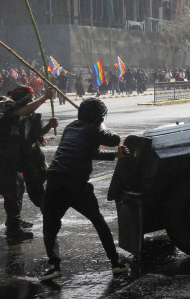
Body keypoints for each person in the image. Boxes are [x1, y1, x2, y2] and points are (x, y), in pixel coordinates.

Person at [39, 97, 129, 281]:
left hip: (55, 179)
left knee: (50, 225)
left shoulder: (70, 127)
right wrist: (102, 126)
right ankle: (115, 263)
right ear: (99, 116)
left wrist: (114, 155)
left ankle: (54, 266)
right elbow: (115, 139)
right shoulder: (94, 129)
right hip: (75, 182)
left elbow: (91, 152)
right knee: (98, 220)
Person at [0, 85, 58, 241]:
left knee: (20, 183)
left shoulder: (28, 113)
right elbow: (21, 110)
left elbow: (34, 135)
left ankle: (14, 220)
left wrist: (49, 125)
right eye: (29, 98)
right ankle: (13, 229)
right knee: (12, 186)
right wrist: (44, 97)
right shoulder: (4, 103)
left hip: (10, 154)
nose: (31, 102)